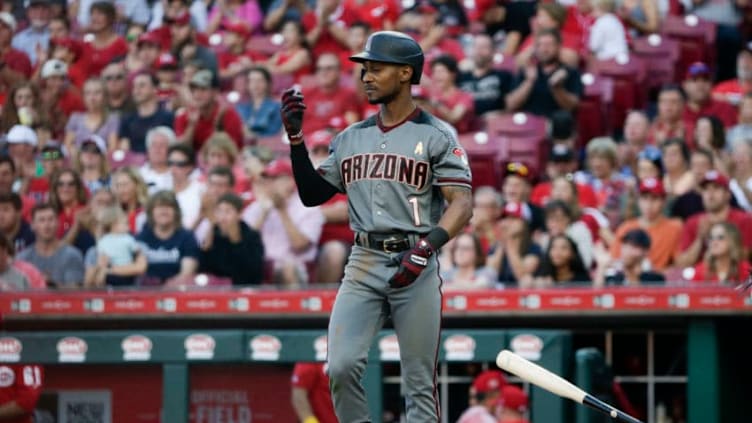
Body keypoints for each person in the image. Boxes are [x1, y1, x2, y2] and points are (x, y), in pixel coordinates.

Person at [280, 30, 473, 422]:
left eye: (376, 68)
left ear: (405, 74)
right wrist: (296, 140)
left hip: (416, 257)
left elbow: (463, 205)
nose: (365, 76)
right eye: (365, 69)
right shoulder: (351, 137)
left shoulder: (436, 135)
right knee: (340, 366)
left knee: (419, 382)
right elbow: (313, 194)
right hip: (364, 259)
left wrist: (426, 248)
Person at [199, 192, 264, 286]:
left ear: (240, 214)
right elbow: (203, 270)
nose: (223, 216)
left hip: (246, 289)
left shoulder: (251, 236)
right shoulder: (213, 233)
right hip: (215, 291)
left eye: (228, 211)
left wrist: (234, 238)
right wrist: (210, 235)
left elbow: (252, 271)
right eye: (219, 211)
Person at [17, 203, 85, 288]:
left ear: (58, 223)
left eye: (51, 219)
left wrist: (52, 285)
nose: (47, 225)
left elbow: (76, 290)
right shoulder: (23, 258)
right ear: (33, 225)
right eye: (42, 220)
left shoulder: (72, 255)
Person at [84, 206, 146, 287]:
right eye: (126, 223)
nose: (129, 227)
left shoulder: (126, 239)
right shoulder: (126, 239)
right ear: (114, 225)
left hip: (126, 277)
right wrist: (101, 269)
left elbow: (140, 267)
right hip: (111, 279)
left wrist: (107, 270)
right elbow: (88, 284)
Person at [595, 228, 666, 287]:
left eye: (632, 247)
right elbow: (597, 298)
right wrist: (601, 268)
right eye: (624, 246)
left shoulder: (655, 280)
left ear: (645, 251)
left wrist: (631, 273)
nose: (626, 252)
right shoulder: (614, 278)